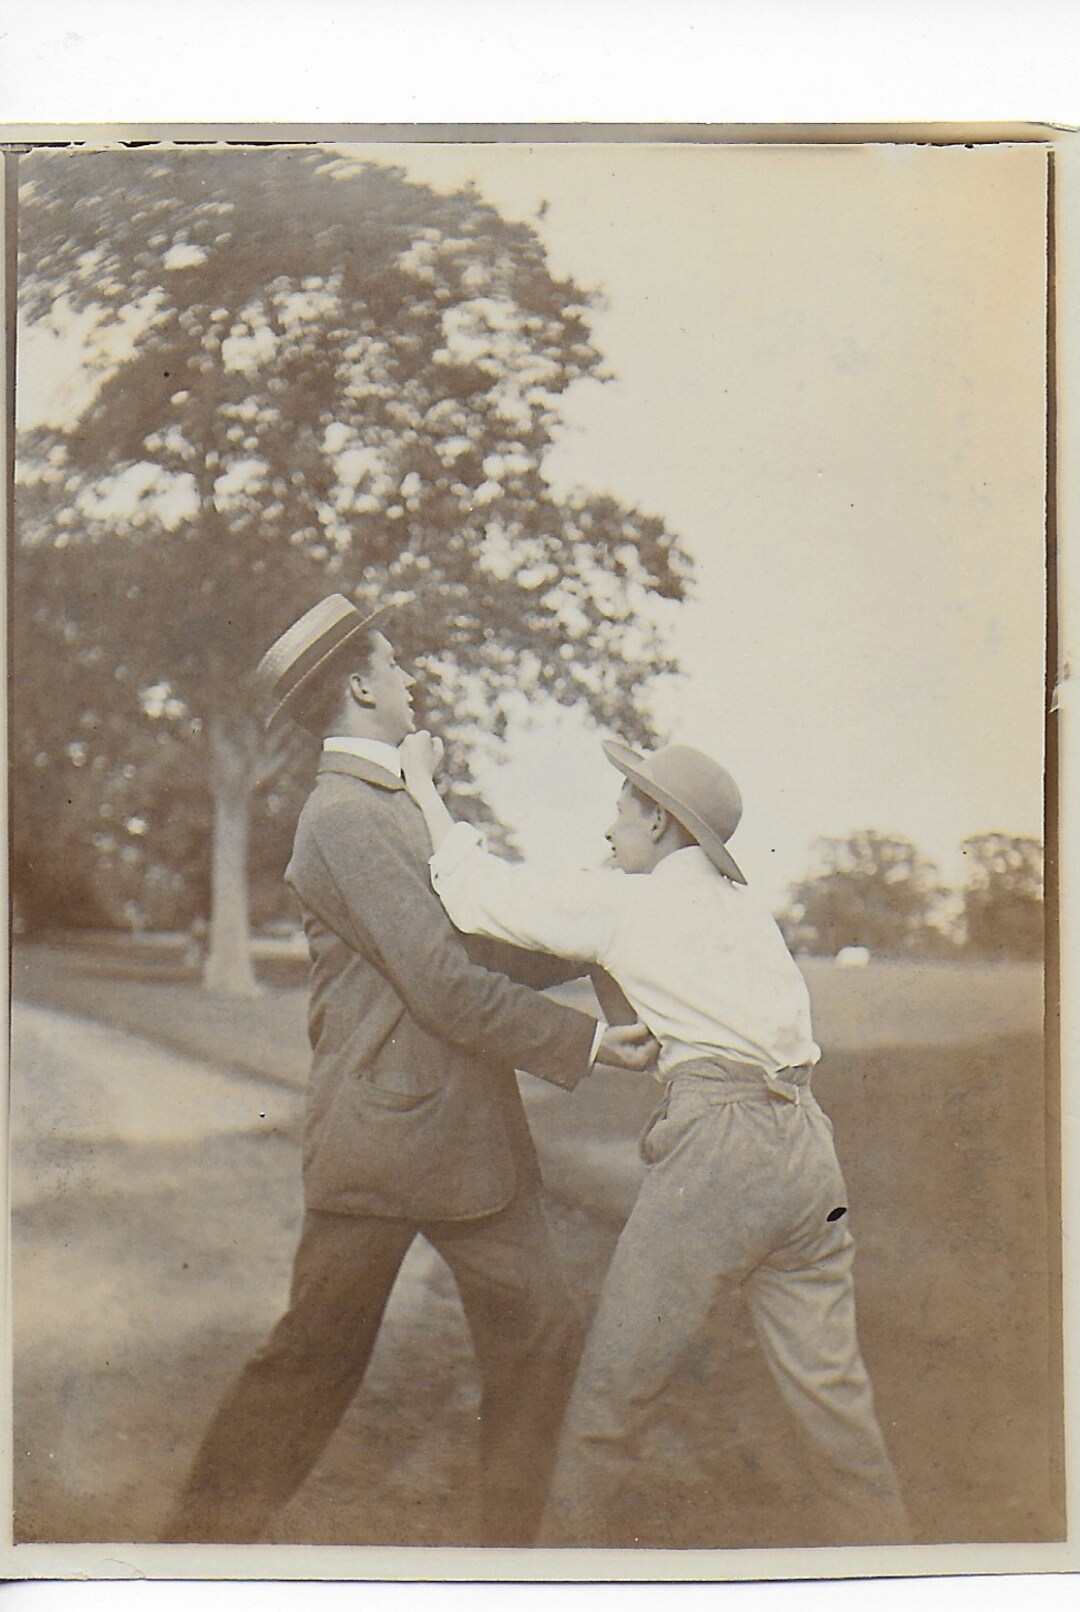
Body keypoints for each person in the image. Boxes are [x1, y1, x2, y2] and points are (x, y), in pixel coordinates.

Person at [161, 594, 656, 1547]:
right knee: (314, 1361)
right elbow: (441, 981)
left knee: (542, 1339)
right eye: (396, 668)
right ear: (359, 686)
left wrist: (605, 930)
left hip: (466, 1142)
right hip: (385, 1144)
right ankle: (182, 1565)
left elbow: (482, 941)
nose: (411, 681)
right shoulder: (342, 817)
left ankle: (506, 1570)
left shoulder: (395, 804)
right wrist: (586, 1045)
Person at [401, 730, 911, 1548]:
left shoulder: (631, 903)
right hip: (810, 1148)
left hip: (720, 1151)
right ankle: (903, 1577)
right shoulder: (746, 911)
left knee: (611, 1399)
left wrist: (425, 790)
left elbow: (472, 893)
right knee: (835, 1404)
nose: (609, 829)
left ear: (662, 824)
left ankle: (557, 1585)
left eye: (621, 811)